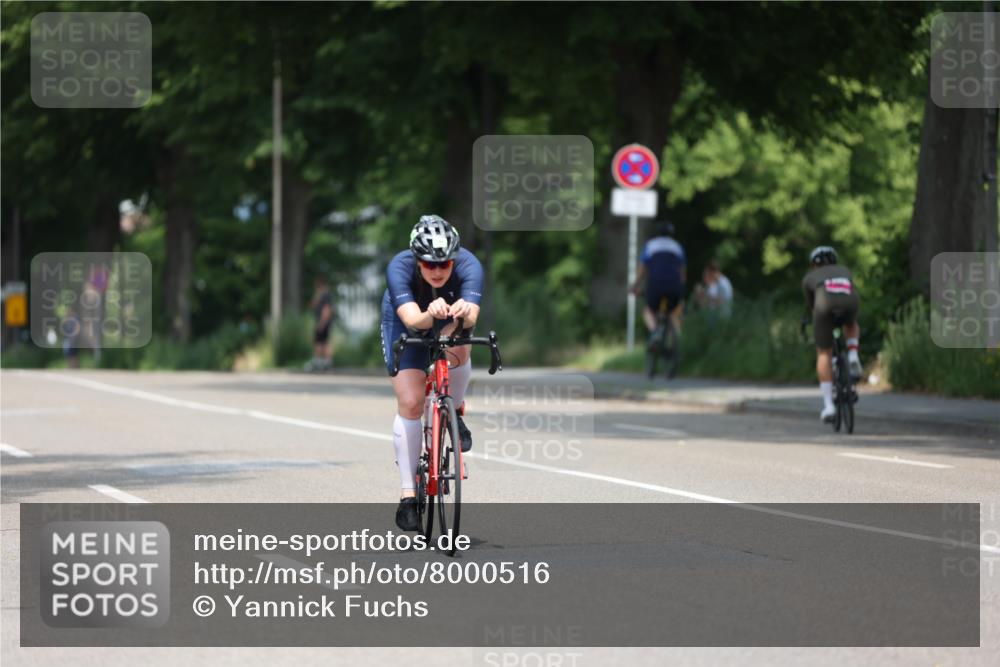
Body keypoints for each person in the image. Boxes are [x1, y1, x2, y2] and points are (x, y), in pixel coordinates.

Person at [381, 215, 483, 531]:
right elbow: (413, 319)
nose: (438, 271)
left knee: (459, 345)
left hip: (449, 317)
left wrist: (463, 316)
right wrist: (429, 314)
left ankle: (455, 409)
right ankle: (408, 494)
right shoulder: (399, 267)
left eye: (445, 264)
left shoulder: (470, 266)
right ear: (417, 260)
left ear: (455, 259)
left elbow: (473, 316)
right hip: (408, 320)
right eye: (429, 264)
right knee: (411, 403)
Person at [802, 246, 862, 423]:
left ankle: (828, 406)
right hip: (850, 303)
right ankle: (853, 353)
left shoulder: (809, 278)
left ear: (814, 264)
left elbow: (812, 306)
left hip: (824, 304)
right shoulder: (845, 271)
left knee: (824, 352)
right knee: (851, 322)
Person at [630, 221, 686, 339]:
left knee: (648, 310)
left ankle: (655, 333)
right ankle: (677, 341)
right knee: (674, 311)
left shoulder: (650, 245)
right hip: (674, 284)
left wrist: (634, 286)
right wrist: (681, 288)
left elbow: (642, 269)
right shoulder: (677, 246)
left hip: (655, 284)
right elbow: (682, 273)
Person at [305, 276, 335, 371]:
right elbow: (313, 305)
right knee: (325, 342)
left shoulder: (325, 295)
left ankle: (318, 361)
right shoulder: (323, 295)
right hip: (325, 322)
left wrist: (322, 323)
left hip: (323, 321)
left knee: (319, 342)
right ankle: (327, 361)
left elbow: (326, 310)